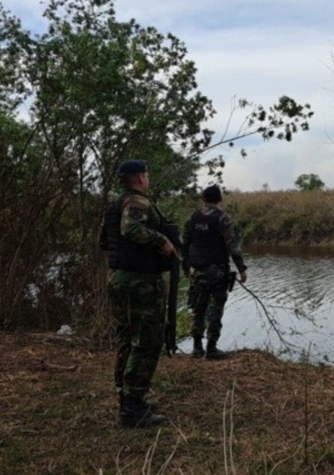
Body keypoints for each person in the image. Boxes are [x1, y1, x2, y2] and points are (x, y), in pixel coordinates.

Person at [100, 160, 178, 428]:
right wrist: (162, 241)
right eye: (146, 175)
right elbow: (130, 229)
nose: (148, 179)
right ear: (141, 178)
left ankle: (128, 400)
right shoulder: (137, 202)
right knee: (146, 342)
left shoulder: (113, 205)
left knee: (127, 339)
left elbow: (105, 241)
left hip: (119, 279)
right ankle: (132, 409)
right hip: (140, 282)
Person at [181, 184, 248, 360]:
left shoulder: (192, 218)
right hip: (217, 271)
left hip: (197, 271)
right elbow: (233, 247)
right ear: (220, 199)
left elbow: (184, 244)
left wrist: (185, 268)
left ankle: (196, 347)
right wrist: (242, 269)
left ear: (203, 199)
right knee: (216, 308)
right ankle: (211, 348)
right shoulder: (223, 219)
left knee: (198, 308)